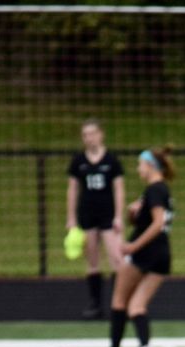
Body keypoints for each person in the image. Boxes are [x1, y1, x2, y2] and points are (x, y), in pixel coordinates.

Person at [100, 147, 174, 347]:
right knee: (136, 306)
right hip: (163, 254)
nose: (138, 168)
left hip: (147, 253)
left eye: (140, 164)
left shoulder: (154, 190)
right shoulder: (162, 190)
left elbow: (158, 223)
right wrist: (134, 214)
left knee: (119, 300)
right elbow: (149, 221)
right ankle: (143, 346)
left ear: (150, 165)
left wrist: (133, 246)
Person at [66, 119, 125, 320]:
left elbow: (118, 189)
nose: (89, 138)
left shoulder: (111, 160)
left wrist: (119, 216)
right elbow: (72, 189)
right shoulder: (78, 161)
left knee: (117, 258)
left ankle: (120, 302)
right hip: (87, 215)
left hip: (107, 215)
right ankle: (95, 304)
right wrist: (71, 218)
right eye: (85, 135)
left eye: (92, 133)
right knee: (92, 261)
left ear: (101, 134)